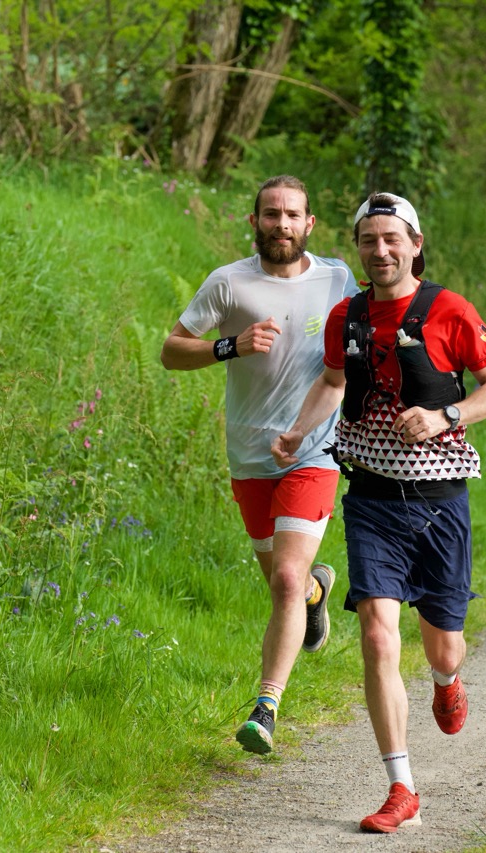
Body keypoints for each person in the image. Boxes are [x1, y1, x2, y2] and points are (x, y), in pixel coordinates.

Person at [272, 192, 486, 832]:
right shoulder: (346, 316)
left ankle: (446, 680)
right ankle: (401, 787)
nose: (379, 252)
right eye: (368, 241)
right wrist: (297, 431)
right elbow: (333, 382)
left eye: (391, 240)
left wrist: (445, 415)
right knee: (378, 634)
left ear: (415, 244)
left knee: (444, 648)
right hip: (373, 499)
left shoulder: (450, 311)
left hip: (440, 505)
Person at [160, 175, 359, 755]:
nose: (282, 224)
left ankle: (266, 708)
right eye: (271, 214)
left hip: (314, 452)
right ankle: (317, 595)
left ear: (309, 223)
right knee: (284, 584)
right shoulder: (229, 283)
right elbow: (171, 351)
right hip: (249, 456)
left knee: (286, 579)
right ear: (254, 221)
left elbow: (359, 352)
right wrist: (230, 345)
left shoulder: (338, 280)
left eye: (292, 214)